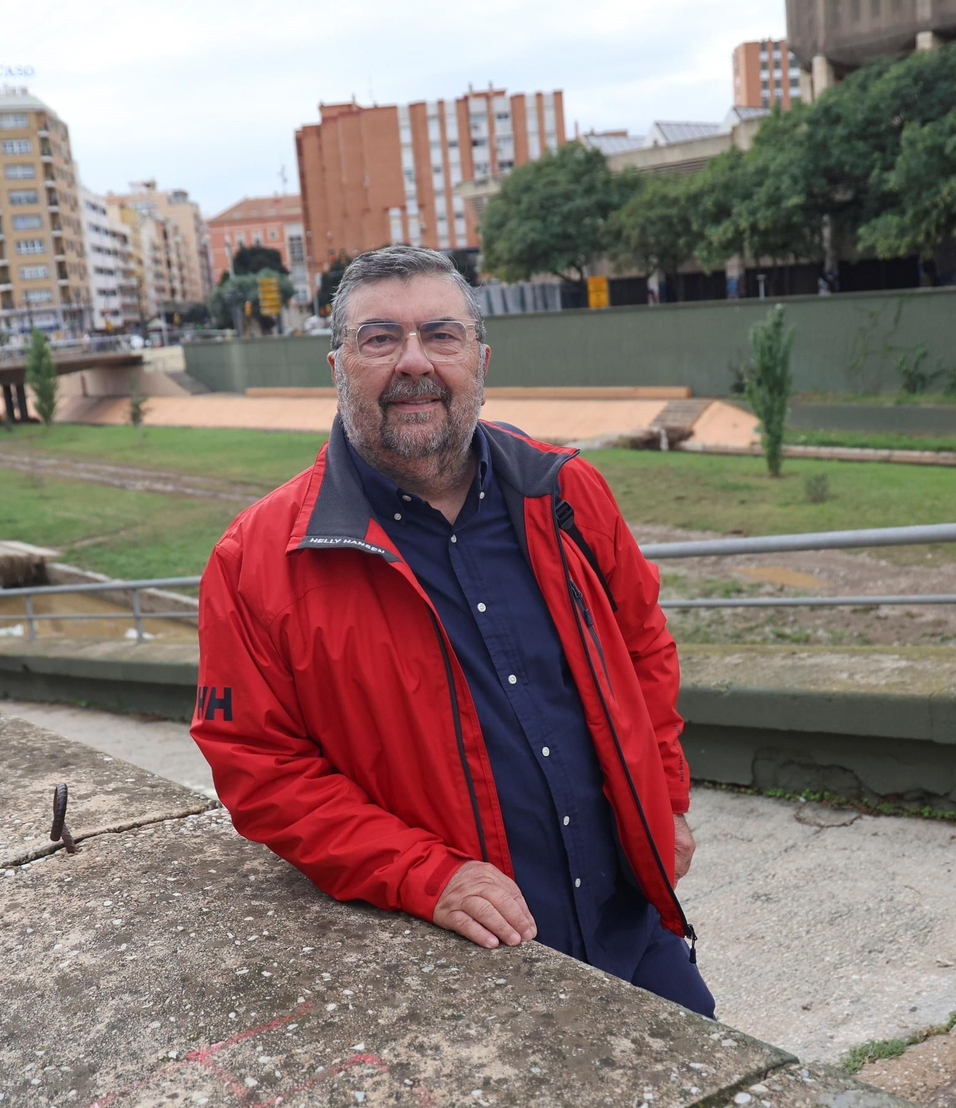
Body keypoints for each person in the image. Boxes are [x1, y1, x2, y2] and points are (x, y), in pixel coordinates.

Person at [191, 245, 713, 1018]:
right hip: (464, 964)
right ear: (337, 365)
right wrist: (422, 874)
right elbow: (260, 771)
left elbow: (643, 649)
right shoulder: (256, 561)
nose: (414, 363)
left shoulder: (565, 493)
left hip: (632, 925)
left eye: (441, 335)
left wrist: (662, 798)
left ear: (480, 358)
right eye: (379, 340)